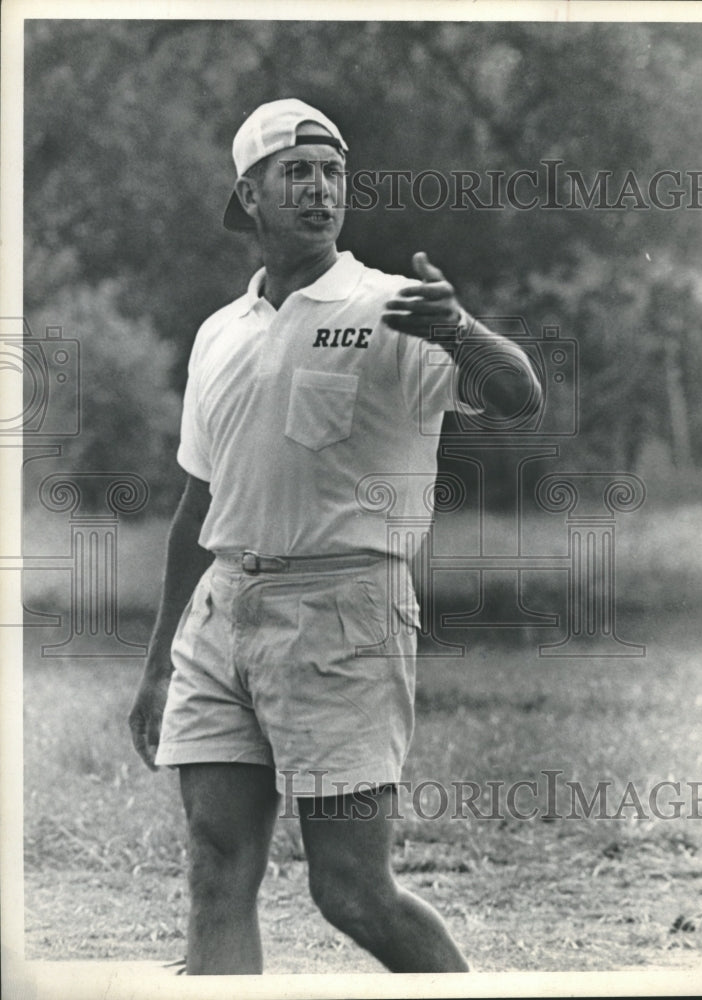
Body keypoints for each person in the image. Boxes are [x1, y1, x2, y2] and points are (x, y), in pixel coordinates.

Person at [128, 98, 541, 975]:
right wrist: (160, 659)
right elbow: (196, 502)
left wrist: (461, 330)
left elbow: (519, 396)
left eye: (333, 174)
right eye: (298, 173)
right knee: (215, 869)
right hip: (221, 612)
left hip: (343, 613)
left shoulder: (390, 304)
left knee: (350, 890)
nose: (321, 190)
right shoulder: (219, 333)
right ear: (251, 195)